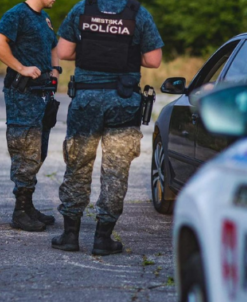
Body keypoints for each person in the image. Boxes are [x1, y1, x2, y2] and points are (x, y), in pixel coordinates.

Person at [52, 0, 163, 254]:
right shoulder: (138, 13)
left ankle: (70, 236)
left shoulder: (82, 9)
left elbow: (65, 51)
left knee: (78, 165)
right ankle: (103, 239)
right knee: (116, 171)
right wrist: (124, 54)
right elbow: (154, 60)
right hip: (123, 102)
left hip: (86, 101)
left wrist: (94, 51)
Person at [0, 0, 61, 232]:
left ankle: (28, 206)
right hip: (23, 95)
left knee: (39, 152)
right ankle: (20, 212)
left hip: (42, 94)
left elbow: (54, 46)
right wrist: (21, 68)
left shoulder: (43, 18)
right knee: (25, 152)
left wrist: (55, 70)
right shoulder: (17, 14)